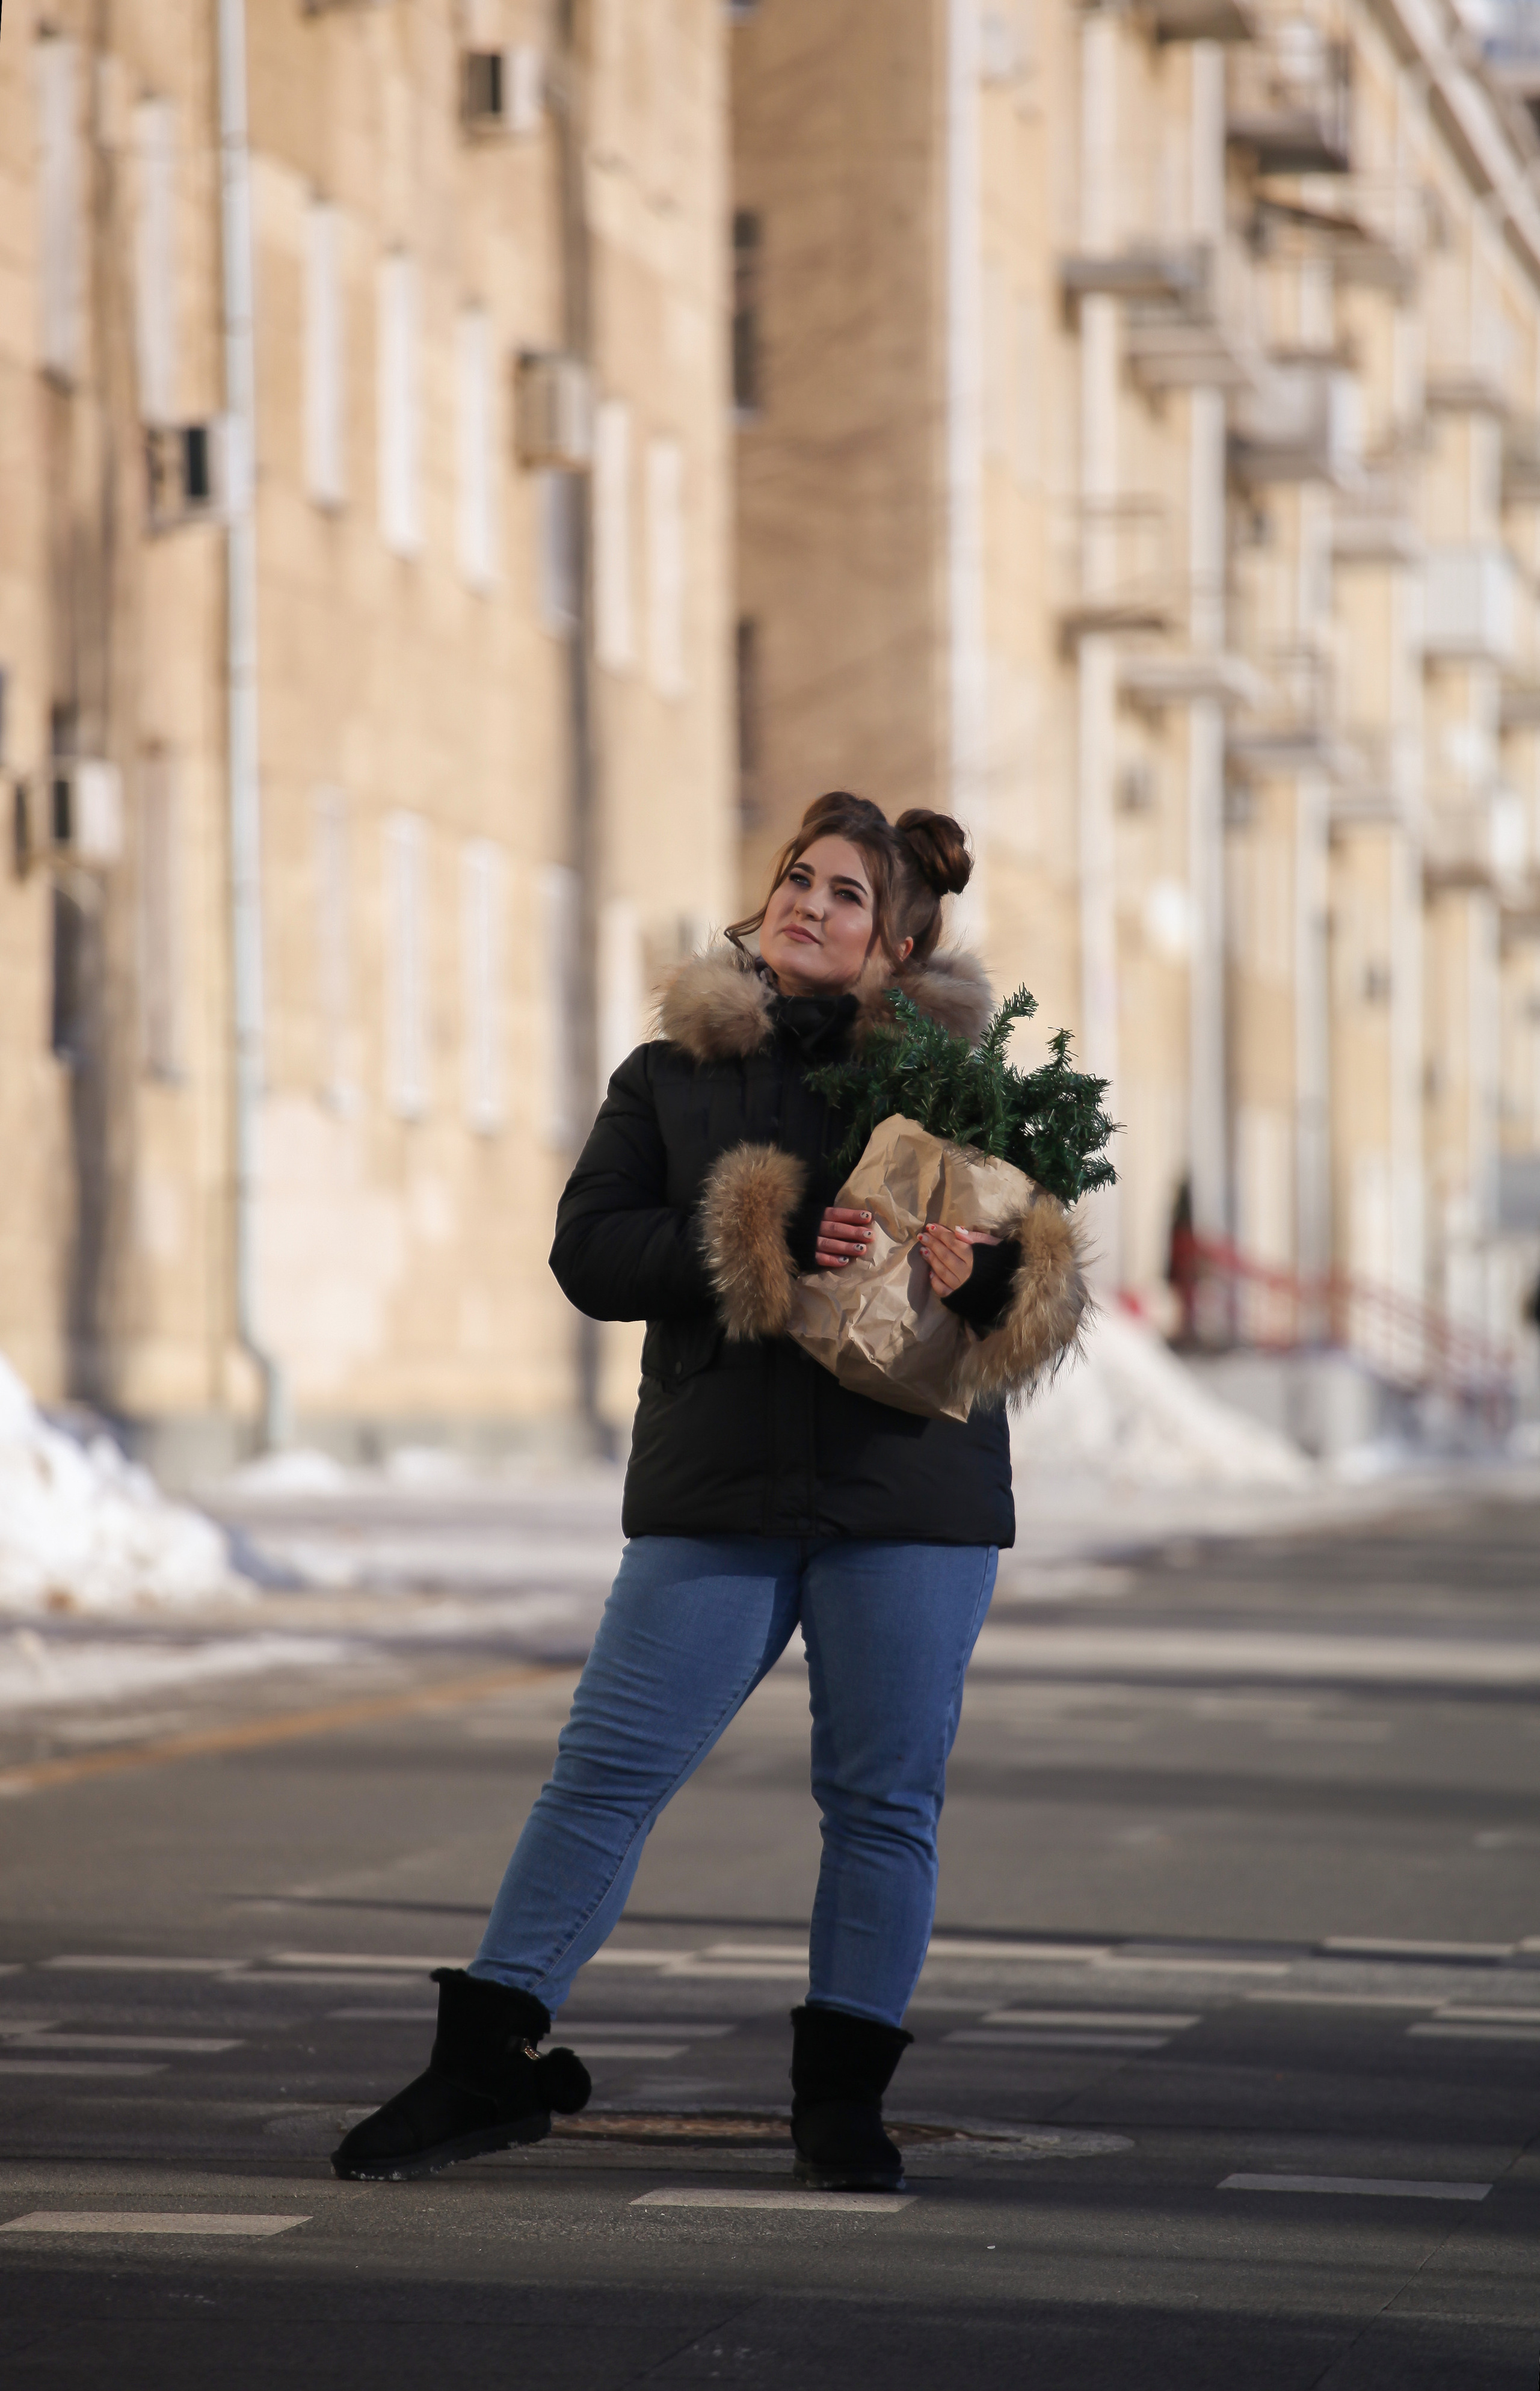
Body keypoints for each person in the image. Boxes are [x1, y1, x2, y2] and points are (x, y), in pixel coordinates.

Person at [332, 790, 1086, 2192]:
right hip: (713, 1492)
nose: (808, 903)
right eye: (798, 877)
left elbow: (1040, 1277)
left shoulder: (964, 1089)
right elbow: (589, 1251)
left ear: (899, 938)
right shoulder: (668, 1078)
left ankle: (840, 2103)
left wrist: (979, 1274)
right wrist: (764, 1231)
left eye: (846, 893)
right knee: (604, 1773)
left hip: (903, 1500)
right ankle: (482, 2059)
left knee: (879, 1801)